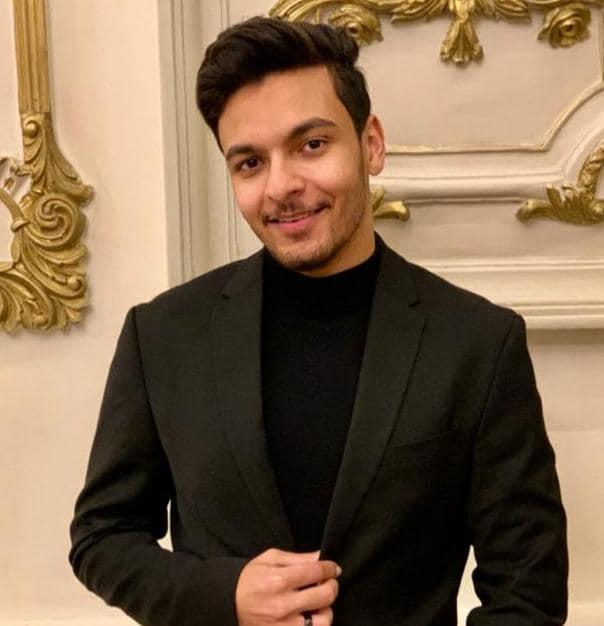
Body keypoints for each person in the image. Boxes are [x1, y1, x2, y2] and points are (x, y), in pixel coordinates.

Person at [69, 16, 568, 626]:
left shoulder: (479, 343)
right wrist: (222, 596)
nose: (281, 186)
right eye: (249, 163)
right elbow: (102, 535)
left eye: (311, 145)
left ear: (370, 144)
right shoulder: (162, 336)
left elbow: (528, 590)